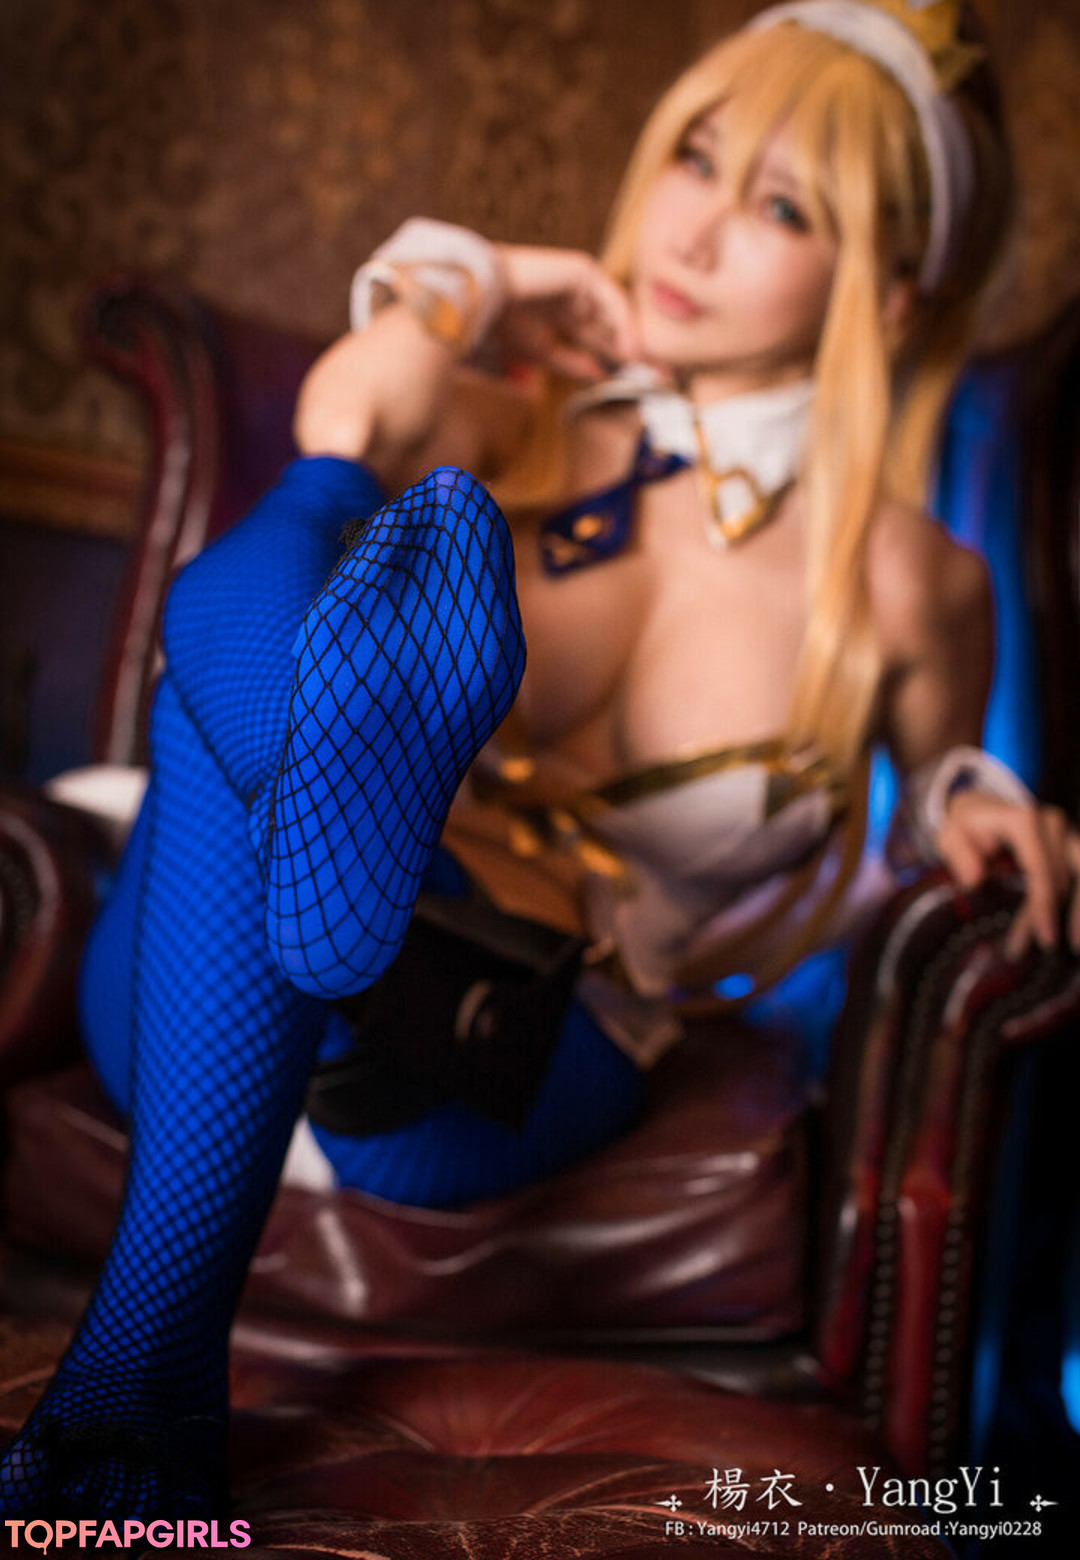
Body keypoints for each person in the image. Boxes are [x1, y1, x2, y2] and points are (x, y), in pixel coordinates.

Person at [3, 0, 1078, 1523]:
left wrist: (980, 802)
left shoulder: (911, 585)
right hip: (213, 981)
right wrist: (484, 281)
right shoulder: (521, 424)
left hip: (497, 1045)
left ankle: (140, 1376)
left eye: (782, 207)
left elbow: (945, 791)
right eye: (696, 158)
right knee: (318, 525)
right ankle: (322, 821)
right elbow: (347, 410)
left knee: (236, 715)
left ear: (891, 292)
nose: (694, 230)